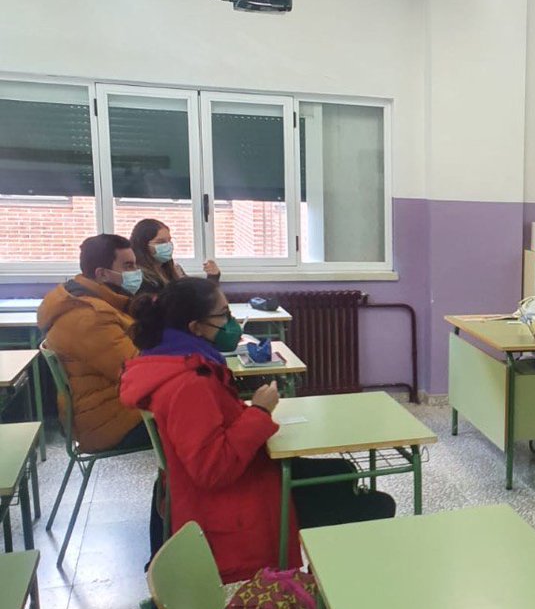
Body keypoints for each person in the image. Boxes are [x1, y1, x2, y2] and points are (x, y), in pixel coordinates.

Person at [120, 278, 396, 583]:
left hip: (238, 483)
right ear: (195, 327)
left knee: (343, 469)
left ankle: (322, 589)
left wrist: (251, 414)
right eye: (223, 315)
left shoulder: (178, 362)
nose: (231, 323)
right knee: (375, 504)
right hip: (236, 506)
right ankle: (334, 590)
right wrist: (260, 412)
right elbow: (213, 469)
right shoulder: (189, 383)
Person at [37, 234, 149, 453]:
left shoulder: (93, 301)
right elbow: (137, 373)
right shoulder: (89, 317)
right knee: (194, 417)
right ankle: (174, 485)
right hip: (107, 421)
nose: (136, 272)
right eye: (128, 266)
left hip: (108, 408)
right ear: (102, 274)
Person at [129, 218, 221, 295]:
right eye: (160, 242)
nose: (168, 245)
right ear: (143, 245)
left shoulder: (174, 270)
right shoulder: (139, 279)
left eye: (169, 241)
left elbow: (196, 297)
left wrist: (213, 277)